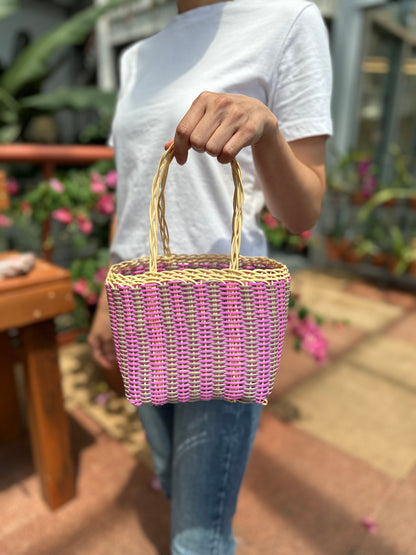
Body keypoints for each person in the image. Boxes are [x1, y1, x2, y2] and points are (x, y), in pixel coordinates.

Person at [88, 0, 333, 553]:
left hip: (222, 319)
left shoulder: (289, 20)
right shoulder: (138, 56)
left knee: (197, 537)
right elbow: (131, 191)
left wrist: (267, 132)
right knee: (172, 469)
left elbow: (305, 211)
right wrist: (109, 296)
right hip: (143, 308)